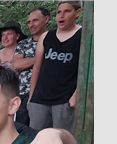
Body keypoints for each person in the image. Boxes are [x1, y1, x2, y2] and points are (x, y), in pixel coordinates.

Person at [28, 1, 83, 131]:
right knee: (36, 138)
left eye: (67, 11)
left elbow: (87, 70)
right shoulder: (46, 36)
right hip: (40, 98)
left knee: (64, 140)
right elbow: (37, 67)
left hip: (65, 98)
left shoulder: (83, 36)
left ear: (77, 12)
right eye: (59, 12)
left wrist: (75, 96)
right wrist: (31, 96)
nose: (61, 16)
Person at [13, 7, 52, 127]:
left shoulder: (54, 40)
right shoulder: (23, 44)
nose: (31, 25)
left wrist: (28, 61)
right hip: (24, 93)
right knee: (22, 130)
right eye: (29, 22)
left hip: (48, 94)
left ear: (46, 19)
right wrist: (41, 58)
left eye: (35, 20)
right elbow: (17, 64)